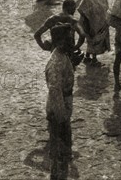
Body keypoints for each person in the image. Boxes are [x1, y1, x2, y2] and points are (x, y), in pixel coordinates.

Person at [45, 23, 75, 180]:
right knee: (59, 154)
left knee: (63, 154)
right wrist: (62, 118)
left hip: (62, 109)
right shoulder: (56, 62)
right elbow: (55, 91)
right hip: (58, 113)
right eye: (69, 38)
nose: (72, 40)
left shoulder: (62, 57)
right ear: (61, 41)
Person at [34, 0, 86, 68]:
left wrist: (43, 47)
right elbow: (82, 35)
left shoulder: (53, 19)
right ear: (73, 9)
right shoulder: (72, 20)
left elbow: (37, 34)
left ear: (63, 8)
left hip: (55, 52)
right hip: (68, 52)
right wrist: (76, 47)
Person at [77, 0, 111, 66]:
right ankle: (93, 60)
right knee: (93, 39)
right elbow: (82, 7)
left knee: (93, 41)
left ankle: (88, 57)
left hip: (98, 19)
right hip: (91, 20)